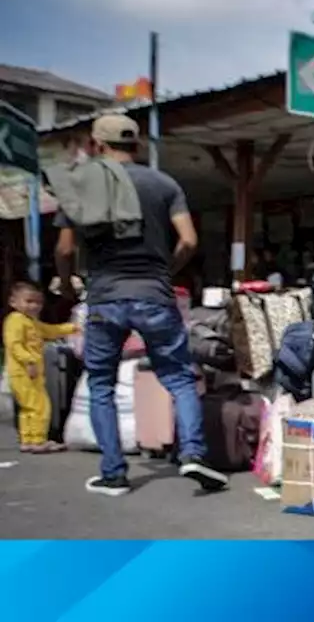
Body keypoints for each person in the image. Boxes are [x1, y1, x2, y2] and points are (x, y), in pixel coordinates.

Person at [52, 114, 223, 497]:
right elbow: (190, 241)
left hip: (104, 297)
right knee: (179, 377)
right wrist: (165, 270)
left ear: (97, 145)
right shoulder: (164, 184)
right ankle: (193, 454)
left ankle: (114, 474)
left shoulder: (81, 184)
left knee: (101, 383)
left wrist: (65, 285)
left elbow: (64, 248)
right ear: (136, 145)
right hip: (155, 295)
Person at [4, 282, 77, 453]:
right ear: (13, 302)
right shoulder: (15, 321)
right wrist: (29, 361)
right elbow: (14, 345)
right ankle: (38, 440)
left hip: (30, 372)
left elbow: (50, 331)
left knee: (28, 407)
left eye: (38, 302)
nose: (34, 306)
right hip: (23, 372)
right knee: (40, 406)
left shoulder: (31, 322)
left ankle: (28, 439)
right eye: (29, 301)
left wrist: (72, 328)